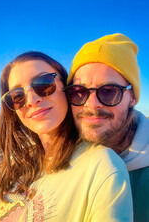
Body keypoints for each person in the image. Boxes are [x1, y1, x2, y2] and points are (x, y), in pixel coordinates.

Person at [0, 51, 133, 222]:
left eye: (44, 84)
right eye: (18, 96)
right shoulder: (21, 161)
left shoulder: (103, 167)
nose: (31, 100)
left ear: (67, 89)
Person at [64, 33, 149, 222]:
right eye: (79, 92)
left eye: (109, 91)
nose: (92, 105)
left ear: (132, 98)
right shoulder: (60, 154)